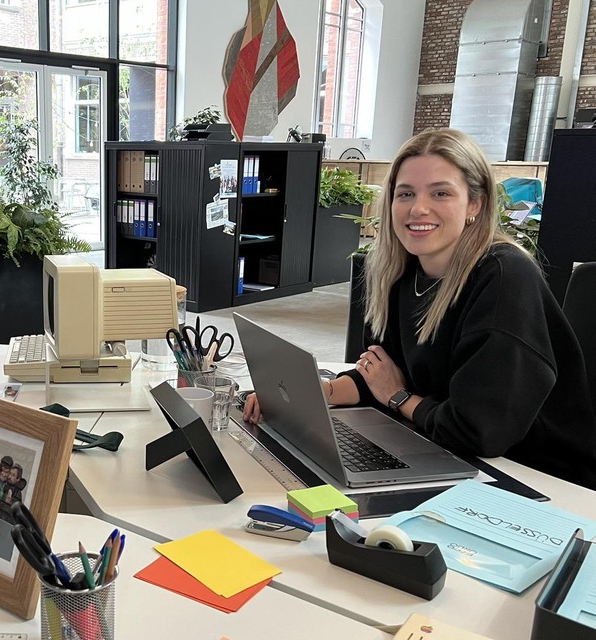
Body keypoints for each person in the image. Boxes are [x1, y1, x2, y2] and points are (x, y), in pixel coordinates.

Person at [244, 128, 596, 490]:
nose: (418, 209)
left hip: (535, 476)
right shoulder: (400, 271)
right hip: (444, 448)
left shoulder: (504, 276)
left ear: (475, 204)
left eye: (441, 193)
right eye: (405, 194)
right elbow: (380, 375)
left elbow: (477, 433)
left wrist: (399, 398)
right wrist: (312, 397)